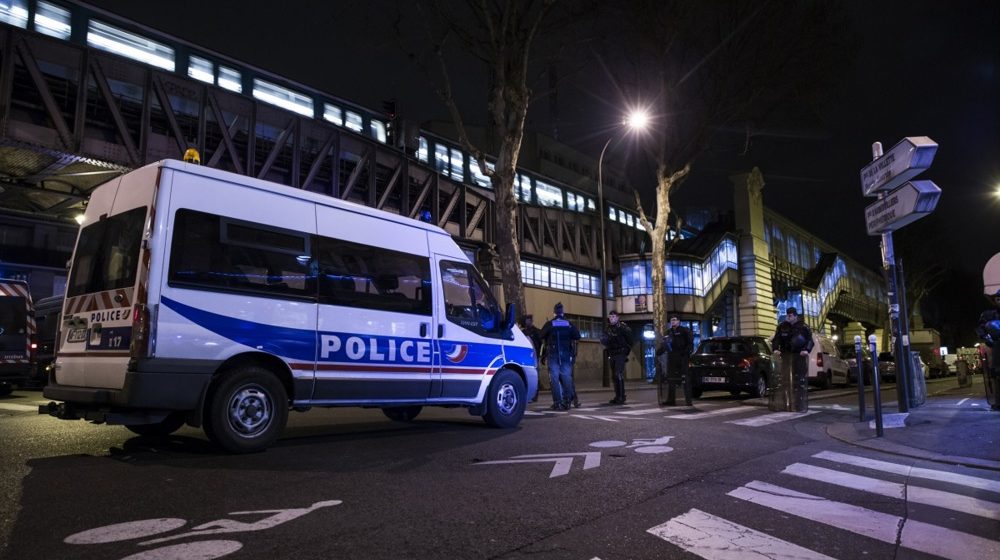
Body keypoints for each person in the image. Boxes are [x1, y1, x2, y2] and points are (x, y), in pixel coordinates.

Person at [770, 307, 814, 411]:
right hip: (786, 356)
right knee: (785, 380)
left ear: (795, 316)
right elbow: (776, 339)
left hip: (799, 357)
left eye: (790, 315)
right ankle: (786, 403)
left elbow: (810, 341)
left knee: (799, 381)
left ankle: (799, 404)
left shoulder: (803, 327)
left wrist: (806, 350)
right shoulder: (782, 326)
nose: (788, 317)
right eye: (787, 315)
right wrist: (775, 349)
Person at [540, 302, 581, 410]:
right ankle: (567, 402)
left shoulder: (550, 324)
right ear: (563, 313)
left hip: (553, 355)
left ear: (554, 313)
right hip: (566, 354)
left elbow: (541, 335)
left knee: (554, 379)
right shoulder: (568, 324)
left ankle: (557, 402)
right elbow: (577, 336)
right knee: (566, 378)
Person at [656, 314, 694, 406]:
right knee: (671, 379)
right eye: (671, 320)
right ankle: (671, 400)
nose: (673, 321)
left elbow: (690, 344)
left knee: (685, 379)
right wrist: (659, 351)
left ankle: (688, 401)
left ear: (678, 321)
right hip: (672, 357)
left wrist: (685, 354)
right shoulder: (668, 332)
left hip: (682, 358)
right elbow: (665, 344)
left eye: (674, 320)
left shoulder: (684, 330)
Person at [601, 310, 633, 404]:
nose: (611, 318)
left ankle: (621, 396)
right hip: (612, 353)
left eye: (613, 317)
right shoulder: (608, 328)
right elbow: (604, 340)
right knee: (614, 376)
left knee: (618, 374)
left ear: (617, 318)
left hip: (620, 353)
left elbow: (630, 340)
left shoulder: (623, 327)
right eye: (610, 317)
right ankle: (617, 396)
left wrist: (625, 351)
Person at [975, 288, 1000, 410]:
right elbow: (981, 328)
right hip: (996, 346)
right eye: (998, 298)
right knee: (997, 374)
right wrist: (986, 337)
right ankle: (998, 401)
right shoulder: (989, 314)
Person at [519, 314, 548, 395]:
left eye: (528, 320)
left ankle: (535, 392)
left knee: (535, 373)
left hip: (535, 356)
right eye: (526, 320)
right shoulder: (523, 332)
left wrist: (543, 356)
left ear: (531, 321)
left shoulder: (537, 332)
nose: (527, 322)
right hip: (525, 357)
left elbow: (542, 344)